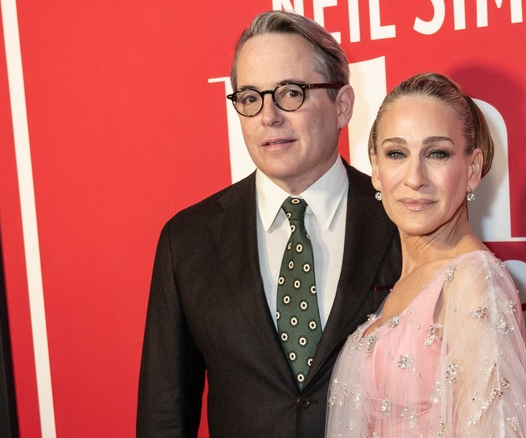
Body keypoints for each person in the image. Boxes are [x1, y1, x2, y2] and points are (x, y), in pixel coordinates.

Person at [136, 11, 401, 437]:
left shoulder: (397, 220)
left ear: (342, 105)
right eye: (250, 98)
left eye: (290, 93)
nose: (269, 116)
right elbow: (164, 414)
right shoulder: (188, 240)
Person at [326, 73, 526, 437]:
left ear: (473, 169)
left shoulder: (473, 281)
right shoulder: (403, 281)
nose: (415, 177)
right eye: (397, 153)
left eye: (437, 153)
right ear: (376, 170)